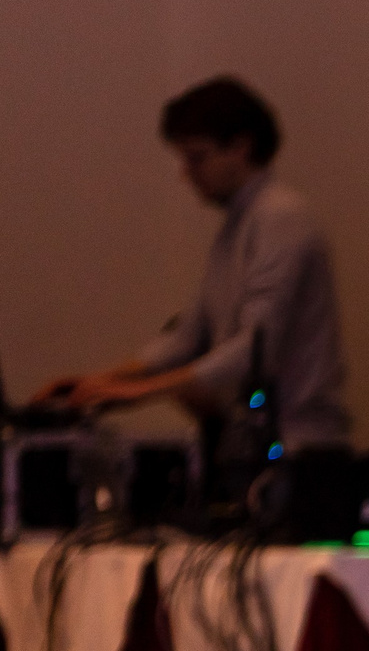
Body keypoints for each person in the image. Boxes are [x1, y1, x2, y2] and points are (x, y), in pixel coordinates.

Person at [42, 77, 351, 451]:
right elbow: (190, 336)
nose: (186, 174)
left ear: (240, 146)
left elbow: (256, 351)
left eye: (197, 158)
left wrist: (138, 391)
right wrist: (98, 382)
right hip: (259, 443)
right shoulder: (237, 225)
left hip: (299, 446)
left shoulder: (281, 217)